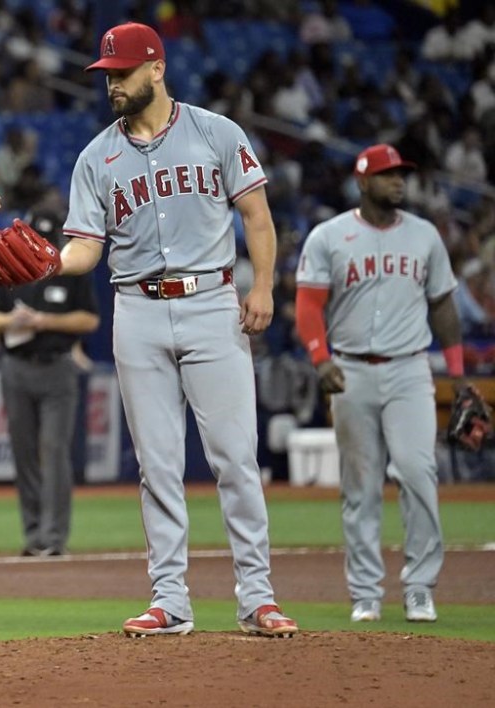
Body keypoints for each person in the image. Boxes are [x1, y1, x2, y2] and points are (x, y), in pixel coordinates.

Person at [52, 23, 297, 638]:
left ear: (155, 69)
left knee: (236, 459)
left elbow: (258, 218)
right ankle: (170, 601)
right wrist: (48, 263)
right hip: (134, 309)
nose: (112, 83)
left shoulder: (217, 132)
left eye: (122, 72)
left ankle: (258, 599)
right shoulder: (94, 157)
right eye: (107, 74)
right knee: (156, 464)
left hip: (212, 303)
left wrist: (263, 285)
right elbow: (84, 247)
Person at [295, 144, 461, 624]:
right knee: (361, 486)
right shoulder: (330, 236)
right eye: (388, 175)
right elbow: (308, 306)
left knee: (416, 472)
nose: (399, 182)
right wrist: (319, 359)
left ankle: (420, 587)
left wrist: (457, 373)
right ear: (362, 182)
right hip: (351, 370)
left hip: (410, 369)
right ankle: (366, 592)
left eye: (402, 174)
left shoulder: (425, 236)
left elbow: (443, 307)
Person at [0, 209, 100, 557]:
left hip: (57, 367)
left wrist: (43, 321)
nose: (41, 247)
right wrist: (12, 320)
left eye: (46, 241)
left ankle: (54, 538)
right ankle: (34, 536)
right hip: (16, 366)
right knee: (24, 453)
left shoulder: (72, 271)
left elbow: (89, 320)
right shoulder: (8, 269)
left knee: (54, 450)